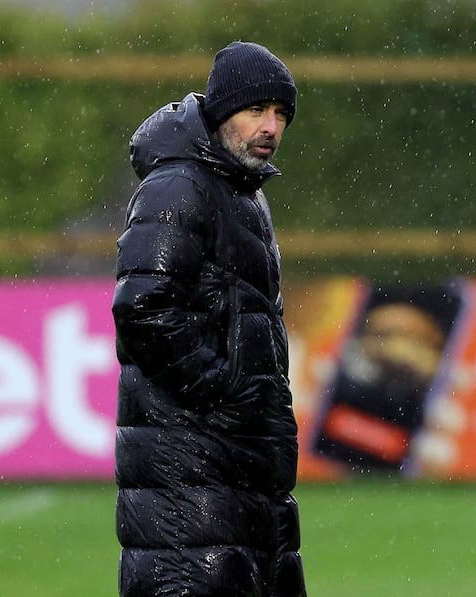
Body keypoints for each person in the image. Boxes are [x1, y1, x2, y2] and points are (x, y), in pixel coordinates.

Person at [111, 41, 306, 596]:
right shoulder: (179, 185)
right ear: (221, 112)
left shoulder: (243, 192)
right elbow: (143, 307)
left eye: (281, 115)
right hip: (192, 483)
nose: (270, 127)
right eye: (256, 111)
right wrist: (221, 392)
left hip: (243, 480)